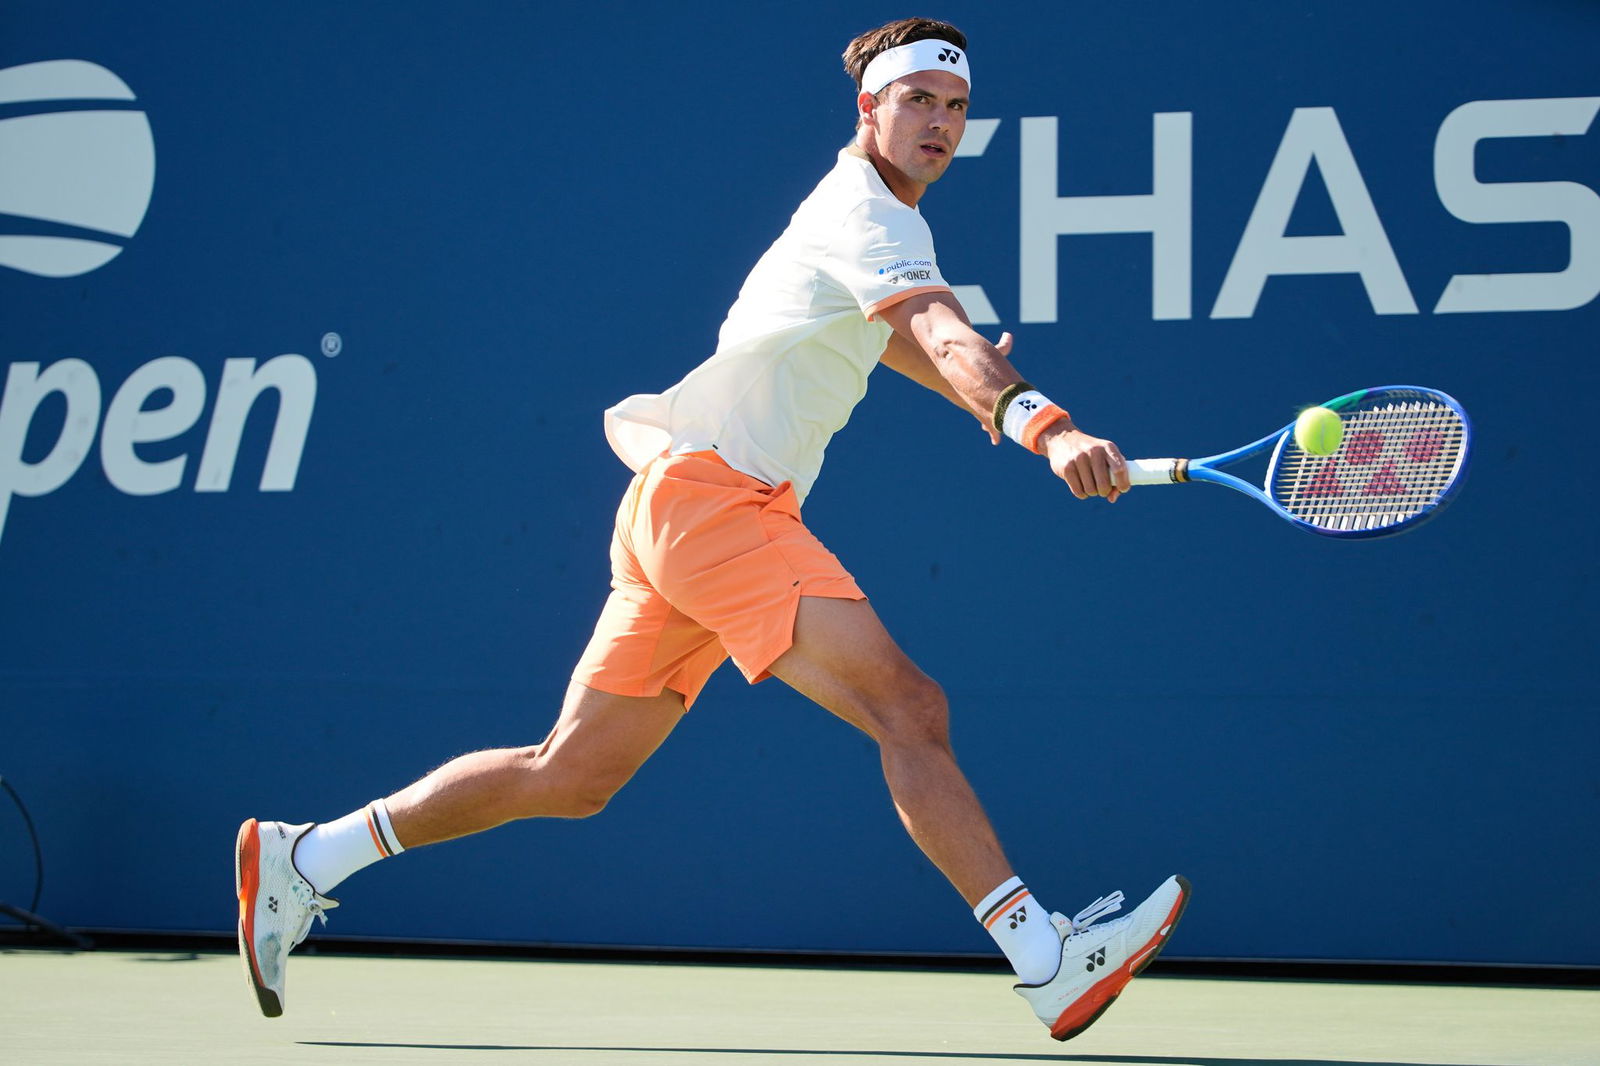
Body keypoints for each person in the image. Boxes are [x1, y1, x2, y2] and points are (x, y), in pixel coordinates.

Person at [235, 17, 1190, 1042]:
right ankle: (1043, 957)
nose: (940, 123)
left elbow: (902, 341)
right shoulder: (870, 213)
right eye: (917, 100)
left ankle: (307, 857)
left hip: (677, 503)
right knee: (906, 705)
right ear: (868, 107)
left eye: (955, 107)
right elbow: (940, 333)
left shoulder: (865, 223)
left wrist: (979, 394)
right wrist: (1042, 425)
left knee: (571, 773)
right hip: (714, 501)